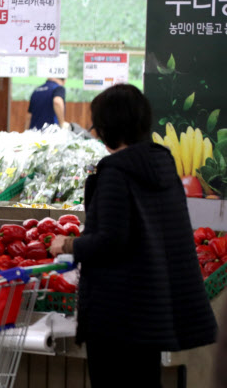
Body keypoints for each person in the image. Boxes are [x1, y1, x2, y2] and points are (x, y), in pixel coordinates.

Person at [48, 84, 217, 388]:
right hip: (151, 313)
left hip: (117, 316)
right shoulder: (163, 166)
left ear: (107, 126)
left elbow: (111, 241)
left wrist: (68, 244)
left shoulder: (115, 173)